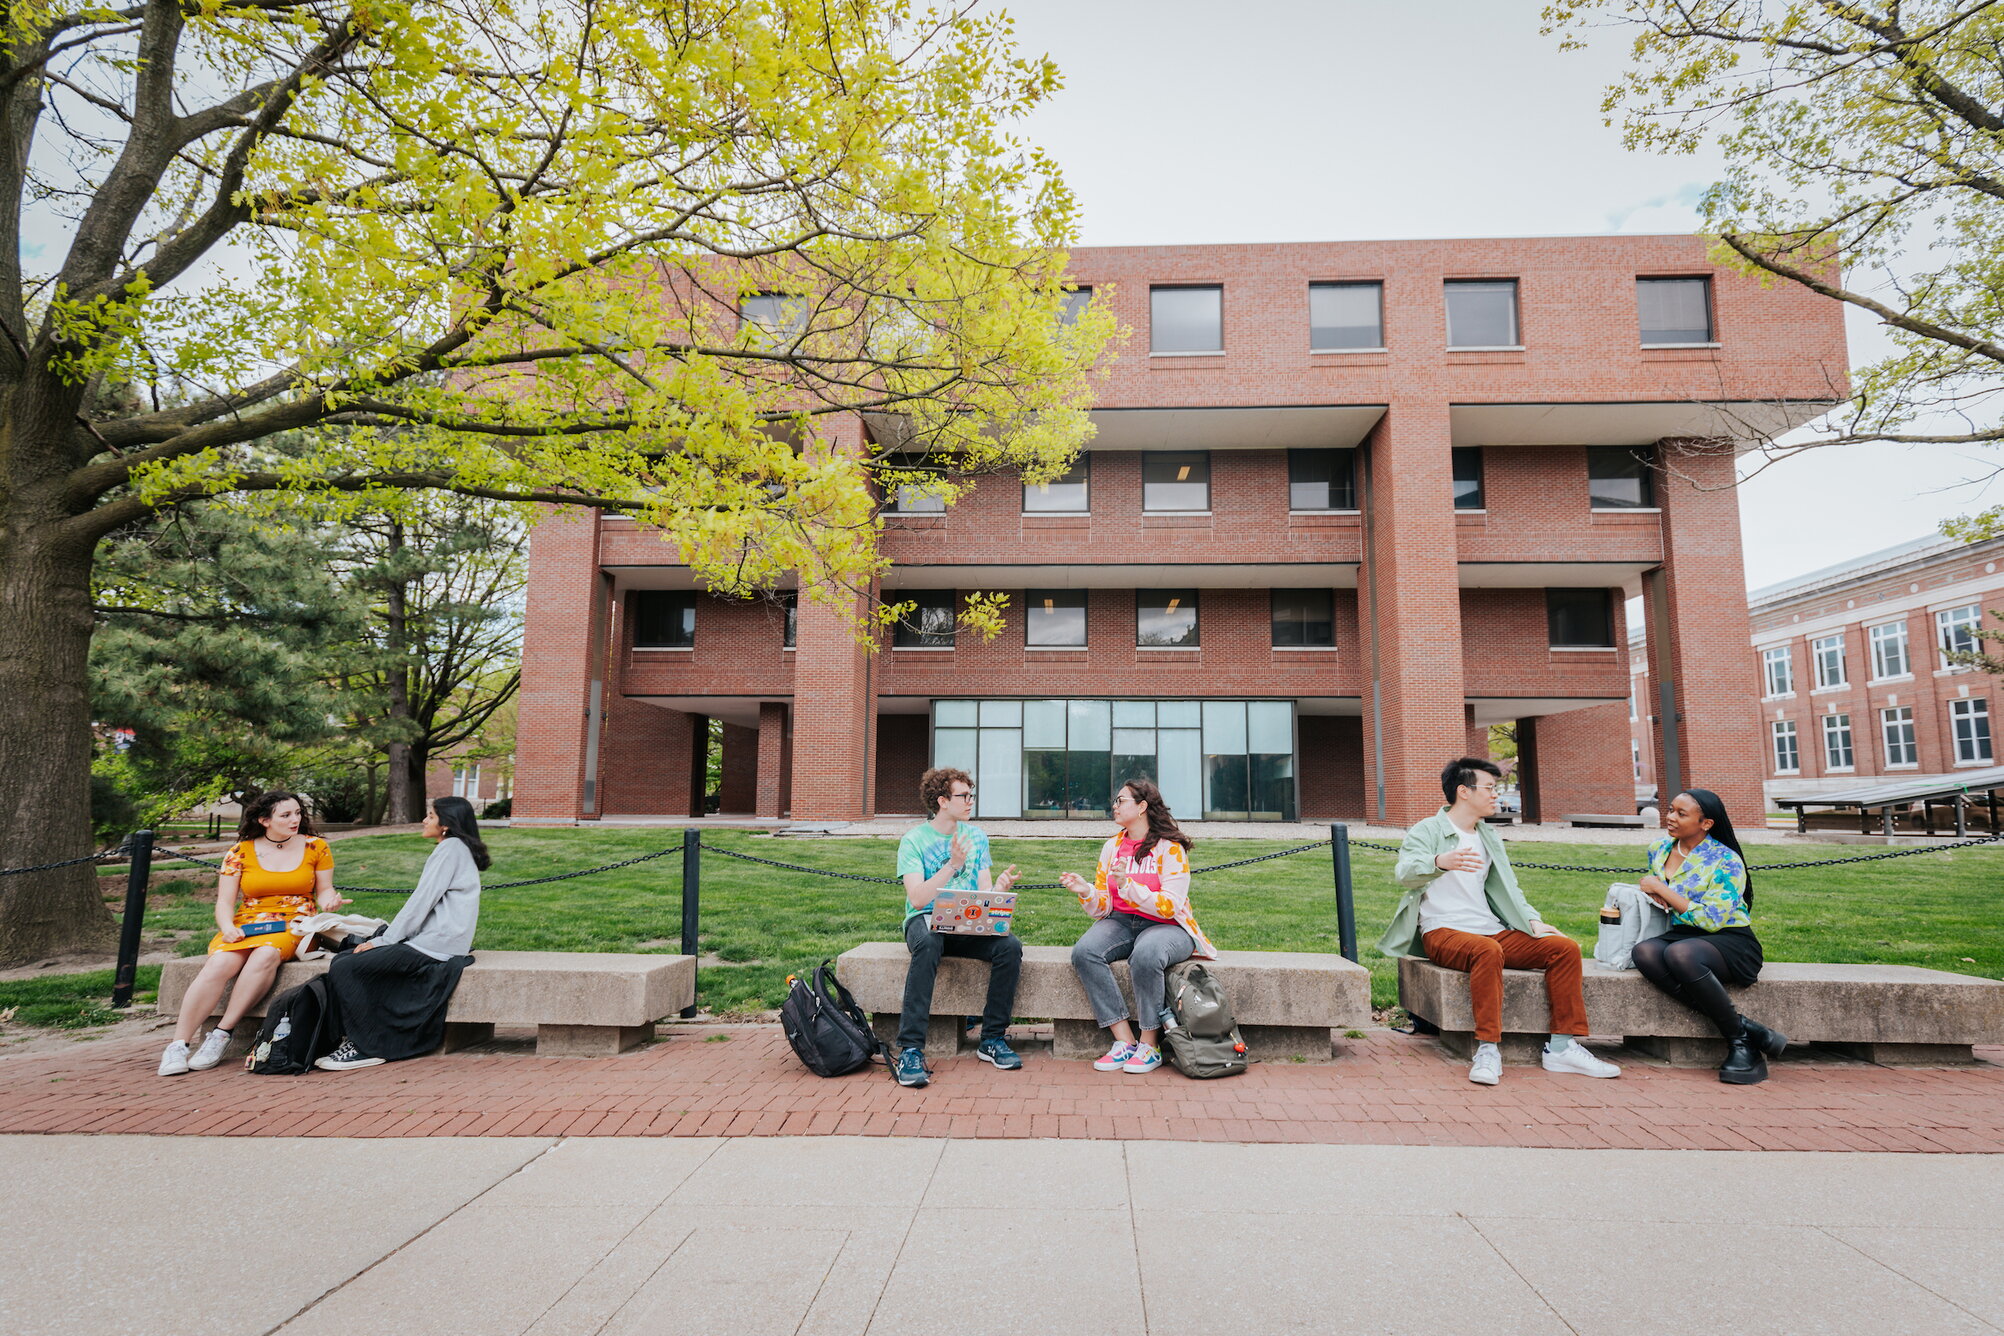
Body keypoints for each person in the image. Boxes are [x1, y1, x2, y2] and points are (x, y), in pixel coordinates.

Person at [1382, 757, 1623, 1086]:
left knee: (1563, 949)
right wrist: (1439, 860)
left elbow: (1510, 887)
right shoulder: (1429, 829)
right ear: (1464, 791)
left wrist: (1532, 921)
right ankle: (1488, 1049)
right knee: (1487, 951)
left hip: (1489, 929)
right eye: (1490, 788)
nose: (1497, 794)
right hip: (1442, 931)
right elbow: (1404, 873)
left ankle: (1563, 1048)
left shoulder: (1487, 836)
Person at [160, 792, 344, 1076]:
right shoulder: (240, 852)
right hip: (246, 922)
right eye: (286, 815)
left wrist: (330, 900)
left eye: (297, 813)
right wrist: (228, 928)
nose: (295, 819)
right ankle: (177, 1045)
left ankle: (221, 1034)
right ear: (264, 820)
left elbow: (325, 891)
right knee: (220, 963)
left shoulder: (315, 847)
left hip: (294, 924)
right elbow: (224, 902)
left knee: (265, 954)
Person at [313, 796, 488, 1072]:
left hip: (436, 945)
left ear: (446, 824)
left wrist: (382, 940)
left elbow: (421, 902)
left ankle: (367, 1047)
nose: (424, 820)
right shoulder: (455, 847)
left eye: (430, 816)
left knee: (348, 967)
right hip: (435, 941)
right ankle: (352, 1039)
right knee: (346, 960)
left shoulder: (451, 848)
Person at [1060, 779, 1216, 1075]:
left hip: (1168, 927)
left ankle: (1149, 1044)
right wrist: (1086, 891)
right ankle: (1125, 1041)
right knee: (1085, 952)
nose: (1115, 806)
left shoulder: (1170, 849)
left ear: (1142, 807)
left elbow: (1170, 904)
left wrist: (1128, 886)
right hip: (1120, 921)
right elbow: (1103, 907)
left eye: (1121, 801)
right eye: (1116, 801)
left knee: (1145, 955)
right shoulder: (1112, 847)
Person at [1634, 788, 1787, 1085]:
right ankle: (1747, 1028)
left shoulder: (1726, 860)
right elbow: (1662, 899)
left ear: (1706, 823)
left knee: (1681, 954)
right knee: (1645, 953)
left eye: (1681, 814)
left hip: (1730, 940)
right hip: (1683, 934)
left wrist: (1660, 887)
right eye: (1670, 810)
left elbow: (1710, 920)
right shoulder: (1659, 849)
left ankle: (1740, 1043)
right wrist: (1647, 885)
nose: (1671, 818)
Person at [893, 767, 1023, 1088]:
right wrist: (952, 865)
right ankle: (911, 1049)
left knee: (1009, 946)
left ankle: (992, 1038)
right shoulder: (914, 840)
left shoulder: (976, 837)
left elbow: (984, 894)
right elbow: (917, 896)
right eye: (963, 796)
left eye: (971, 795)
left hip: (966, 925)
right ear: (942, 801)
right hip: (925, 923)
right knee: (930, 942)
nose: (970, 801)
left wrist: (1000, 889)